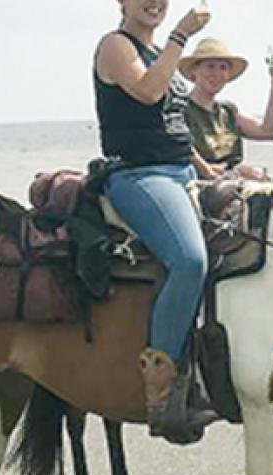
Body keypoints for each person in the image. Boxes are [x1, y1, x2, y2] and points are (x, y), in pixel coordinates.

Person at [93, 0, 214, 441]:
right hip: (139, 175)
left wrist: (211, 170)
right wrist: (181, 37)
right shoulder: (114, 46)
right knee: (189, 260)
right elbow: (148, 93)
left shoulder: (158, 50)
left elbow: (172, 120)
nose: (155, 2)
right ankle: (160, 384)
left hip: (181, 171)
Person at [177, 37, 273, 180]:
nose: (216, 74)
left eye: (223, 67)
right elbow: (179, 146)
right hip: (199, 182)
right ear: (194, 71)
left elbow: (268, 131)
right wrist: (208, 168)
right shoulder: (181, 108)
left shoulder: (227, 111)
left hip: (231, 179)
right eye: (210, 66)